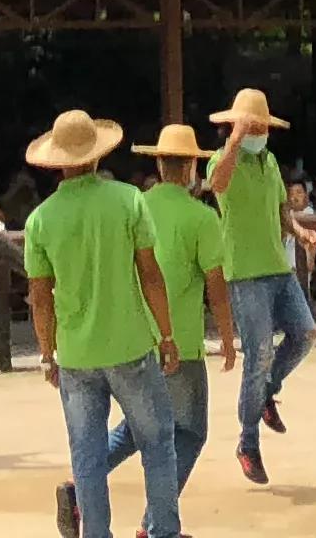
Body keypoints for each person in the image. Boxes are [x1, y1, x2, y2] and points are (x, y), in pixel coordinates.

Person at [25, 110, 176, 538]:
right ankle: (163, 530)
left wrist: (46, 353)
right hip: (129, 344)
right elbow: (151, 274)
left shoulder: (40, 220)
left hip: (75, 355)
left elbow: (40, 296)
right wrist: (166, 336)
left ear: (57, 161)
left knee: (86, 457)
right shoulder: (129, 200)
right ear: (96, 155)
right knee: (158, 444)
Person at [108, 125, 231, 537]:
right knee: (190, 431)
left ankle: (82, 479)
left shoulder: (133, 207)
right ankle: (156, 523)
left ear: (159, 164)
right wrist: (229, 337)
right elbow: (216, 284)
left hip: (134, 336)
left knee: (139, 426)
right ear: (193, 165)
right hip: (182, 340)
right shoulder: (202, 216)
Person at [201, 88, 314, 488]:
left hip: (277, 267)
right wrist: (234, 141)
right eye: (252, 125)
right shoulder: (222, 158)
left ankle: (266, 392)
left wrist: (299, 232)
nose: (258, 131)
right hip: (245, 272)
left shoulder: (270, 161)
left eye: (261, 126)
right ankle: (247, 442)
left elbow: (281, 209)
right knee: (259, 354)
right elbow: (216, 184)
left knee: (304, 334)